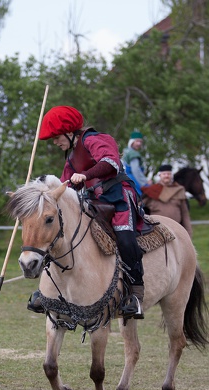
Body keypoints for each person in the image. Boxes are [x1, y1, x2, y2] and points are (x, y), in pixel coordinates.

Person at [28, 106, 145, 319]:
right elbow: (66, 185)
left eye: (56, 137)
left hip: (118, 197)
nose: (55, 142)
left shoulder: (94, 139)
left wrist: (85, 174)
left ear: (69, 131)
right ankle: (47, 292)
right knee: (60, 235)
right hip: (91, 201)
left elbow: (111, 162)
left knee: (126, 238)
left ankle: (135, 295)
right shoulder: (71, 156)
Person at [141, 164, 193, 238]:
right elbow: (138, 206)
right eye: (164, 174)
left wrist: (188, 233)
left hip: (175, 230)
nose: (166, 176)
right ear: (160, 175)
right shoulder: (152, 191)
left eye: (168, 174)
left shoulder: (179, 190)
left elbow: (185, 213)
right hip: (157, 231)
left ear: (171, 175)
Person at [121, 130, 149, 196]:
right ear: (132, 142)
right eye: (137, 141)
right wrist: (144, 183)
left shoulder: (126, 151)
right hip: (132, 179)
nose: (139, 144)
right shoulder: (133, 153)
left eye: (140, 142)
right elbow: (136, 170)